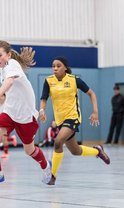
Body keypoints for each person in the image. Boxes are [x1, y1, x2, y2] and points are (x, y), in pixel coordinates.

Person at [0, 40, 51, 186]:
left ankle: (46, 166)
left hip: (26, 116)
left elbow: (9, 83)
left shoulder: (12, 64)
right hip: (10, 112)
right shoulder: (3, 68)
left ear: (8, 54)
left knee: (29, 150)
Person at [39, 57, 110, 185]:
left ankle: (52, 176)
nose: (55, 68)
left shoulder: (74, 80)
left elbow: (91, 94)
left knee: (58, 142)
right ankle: (97, 151)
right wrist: (42, 110)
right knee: (75, 151)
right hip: (60, 120)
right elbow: (44, 99)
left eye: (58, 66)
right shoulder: (48, 81)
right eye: (53, 66)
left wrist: (95, 112)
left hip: (73, 117)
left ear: (65, 68)